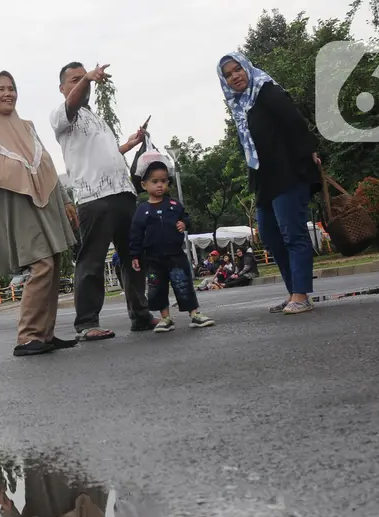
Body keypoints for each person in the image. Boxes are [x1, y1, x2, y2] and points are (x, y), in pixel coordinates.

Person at [0, 71, 79, 356]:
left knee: (54, 261)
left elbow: (47, 166)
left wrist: (65, 200)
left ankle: (45, 334)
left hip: (46, 205)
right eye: (1, 89)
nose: (8, 93)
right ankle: (27, 336)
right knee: (41, 265)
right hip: (16, 211)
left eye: (11, 88)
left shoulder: (27, 127)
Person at [50, 63, 154, 340]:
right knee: (91, 261)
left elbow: (104, 153)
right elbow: (73, 101)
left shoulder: (96, 118)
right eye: (74, 79)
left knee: (133, 258)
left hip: (123, 193)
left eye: (83, 78)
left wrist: (128, 145)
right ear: (62, 88)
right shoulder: (62, 115)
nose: (82, 83)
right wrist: (87, 77)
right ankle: (86, 323)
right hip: (93, 198)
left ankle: (141, 315)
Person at [220, 52, 321, 315]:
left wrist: (310, 150)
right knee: (270, 236)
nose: (235, 76)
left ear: (246, 67)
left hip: (287, 172)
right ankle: (293, 293)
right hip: (264, 179)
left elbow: (294, 121)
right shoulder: (242, 104)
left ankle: (301, 294)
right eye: (228, 75)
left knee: (292, 233)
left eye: (237, 69)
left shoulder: (265, 90)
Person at [128, 161, 216, 332]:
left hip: (176, 255)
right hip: (153, 258)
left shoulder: (174, 205)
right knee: (157, 288)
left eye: (163, 181)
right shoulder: (142, 210)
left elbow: (187, 218)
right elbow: (135, 235)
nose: (160, 185)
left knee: (183, 284)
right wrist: (135, 255)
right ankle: (165, 318)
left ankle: (194, 314)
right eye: (154, 181)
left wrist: (184, 223)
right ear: (144, 185)